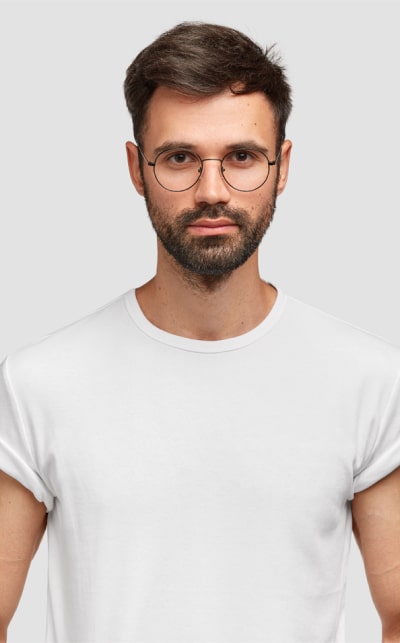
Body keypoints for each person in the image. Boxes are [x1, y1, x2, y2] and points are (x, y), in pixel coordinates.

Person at [0, 21, 399, 643]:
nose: (212, 193)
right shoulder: (39, 384)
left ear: (282, 166)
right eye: (179, 158)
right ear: (137, 168)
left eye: (241, 157)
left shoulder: (369, 380)